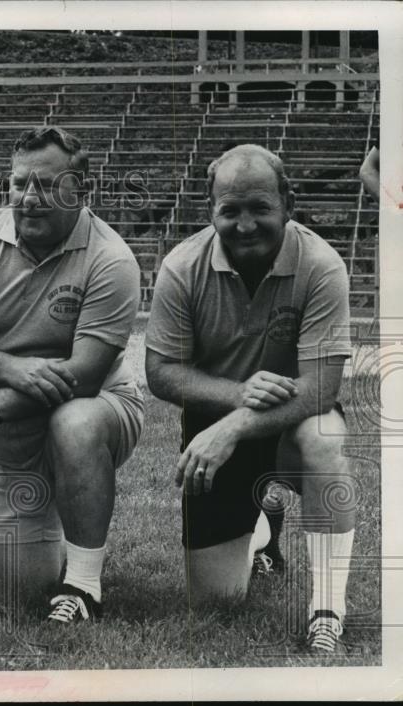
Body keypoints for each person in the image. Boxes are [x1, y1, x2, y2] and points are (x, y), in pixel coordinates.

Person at [145, 144, 356, 654]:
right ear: (209, 208)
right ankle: (264, 527)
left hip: (286, 421)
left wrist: (236, 424)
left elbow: (323, 388)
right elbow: (159, 371)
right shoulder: (181, 267)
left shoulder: (321, 265)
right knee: (215, 601)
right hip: (214, 430)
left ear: (287, 201)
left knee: (323, 437)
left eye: (260, 208)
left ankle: (327, 609)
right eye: (230, 210)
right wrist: (239, 395)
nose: (245, 225)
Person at [0, 127, 144, 624]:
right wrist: (10, 369)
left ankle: (84, 585)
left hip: (97, 405)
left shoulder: (112, 260)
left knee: (75, 422)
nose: (30, 197)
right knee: (19, 586)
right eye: (20, 183)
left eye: (47, 185)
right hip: (12, 429)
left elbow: (84, 376)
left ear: (80, 189)